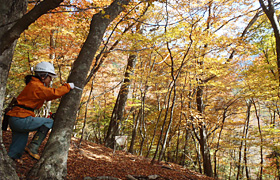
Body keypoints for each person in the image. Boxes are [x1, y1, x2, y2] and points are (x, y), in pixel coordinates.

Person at [6, 61, 75, 160]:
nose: (50, 79)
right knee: (49, 121)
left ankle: (9, 162)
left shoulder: (34, 84)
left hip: (16, 117)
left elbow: (47, 96)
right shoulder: (36, 86)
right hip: (20, 118)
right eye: (50, 77)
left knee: (17, 147)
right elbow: (53, 93)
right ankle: (33, 146)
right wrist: (67, 86)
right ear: (43, 76)